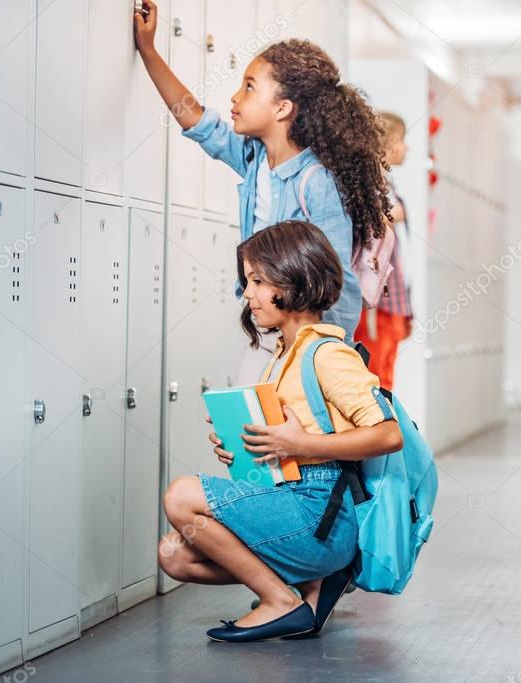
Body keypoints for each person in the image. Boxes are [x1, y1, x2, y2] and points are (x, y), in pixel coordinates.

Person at [157, 221, 403, 643]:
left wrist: (299, 442)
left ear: (293, 276)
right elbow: (287, 443)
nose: (247, 294)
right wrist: (245, 446)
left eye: (257, 281)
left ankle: (282, 602)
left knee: (180, 495)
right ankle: (312, 586)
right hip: (289, 494)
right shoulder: (284, 354)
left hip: (318, 513)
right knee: (174, 555)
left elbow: (388, 434)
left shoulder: (328, 354)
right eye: (247, 281)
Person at [134, 1, 391, 346]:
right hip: (270, 326)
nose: (236, 97)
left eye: (250, 87)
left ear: (283, 108)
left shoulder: (317, 182)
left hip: (307, 336)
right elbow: (197, 121)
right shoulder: (255, 160)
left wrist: (331, 352)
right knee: (253, 399)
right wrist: (149, 51)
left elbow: (339, 277)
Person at [354, 112, 413, 389]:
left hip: (391, 298)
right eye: (402, 140)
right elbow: (367, 223)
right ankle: (379, 429)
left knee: (386, 371)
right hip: (378, 301)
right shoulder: (366, 184)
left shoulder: (386, 184)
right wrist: (391, 214)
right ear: (386, 145)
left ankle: (388, 428)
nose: (406, 148)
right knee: (375, 374)